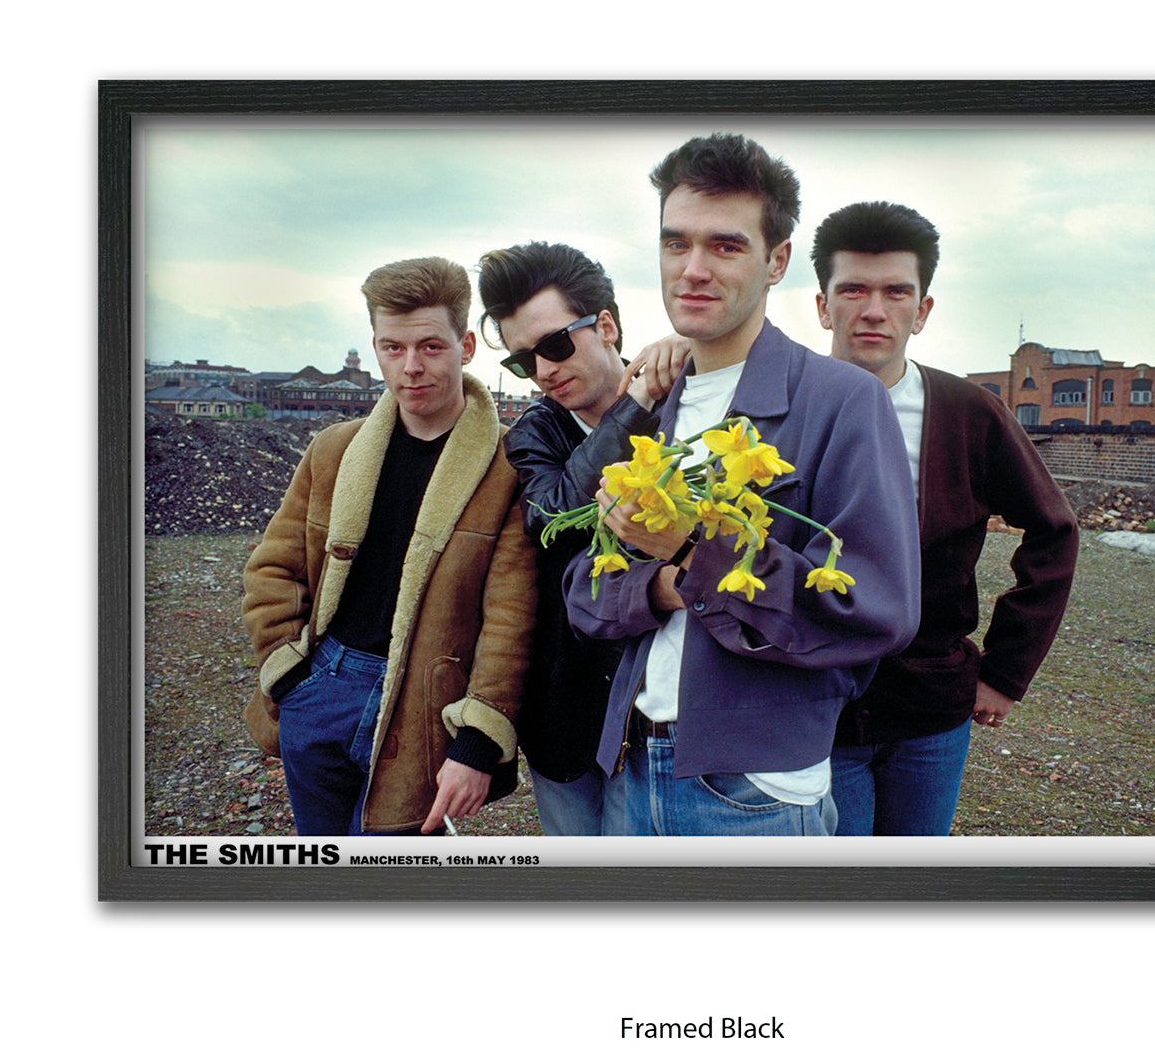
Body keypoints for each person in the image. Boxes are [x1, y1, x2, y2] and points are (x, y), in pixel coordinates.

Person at [564, 134, 922, 836]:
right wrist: (665, 585)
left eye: (726, 246)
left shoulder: (842, 401)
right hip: (631, 766)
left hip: (755, 787)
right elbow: (583, 589)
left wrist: (692, 551)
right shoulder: (654, 407)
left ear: (776, 261)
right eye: (676, 243)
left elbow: (879, 608)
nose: (692, 269)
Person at [811, 200, 1079, 836]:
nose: (873, 310)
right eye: (853, 289)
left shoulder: (968, 413)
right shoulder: (784, 405)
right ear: (822, 305)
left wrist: (1005, 672)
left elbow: (1054, 531)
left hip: (931, 710)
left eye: (896, 292)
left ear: (923, 309)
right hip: (815, 710)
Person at [241, 256, 534, 836]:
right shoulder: (333, 451)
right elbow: (272, 568)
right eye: (392, 348)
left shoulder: (509, 466)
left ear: (466, 347)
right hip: (320, 688)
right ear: (374, 347)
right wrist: (289, 674)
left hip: (426, 704)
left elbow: (513, 616)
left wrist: (478, 740)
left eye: (430, 347)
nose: (411, 367)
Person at [476, 240, 686, 835]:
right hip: (569, 711)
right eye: (524, 361)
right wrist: (637, 402)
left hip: (667, 707)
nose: (544, 371)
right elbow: (558, 516)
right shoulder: (533, 434)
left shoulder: (689, 396)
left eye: (555, 345)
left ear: (607, 327)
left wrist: (694, 350)